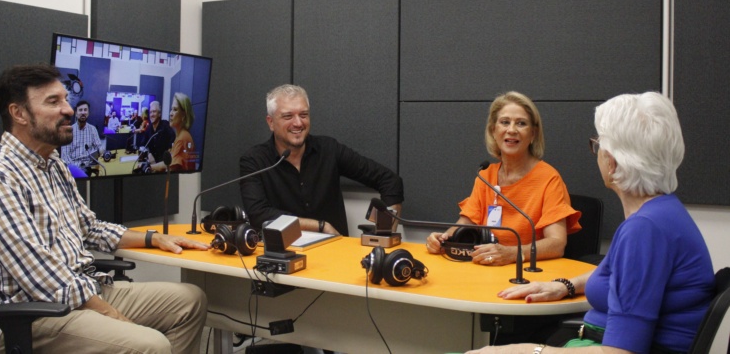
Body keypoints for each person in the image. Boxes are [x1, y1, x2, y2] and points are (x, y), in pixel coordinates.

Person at [0, 64, 210, 353]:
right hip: (33, 316)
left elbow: (89, 228)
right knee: (150, 345)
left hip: (83, 291)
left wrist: (154, 238)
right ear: (19, 113)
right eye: (53, 101)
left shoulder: (54, 164)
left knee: (190, 301)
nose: (68, 109)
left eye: (65, 99)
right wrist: (114, 316)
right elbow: (41, 275)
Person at [468, 92, 715, 354]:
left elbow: (620, 352)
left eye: (598, 145)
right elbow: (619, 274)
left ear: (613, 162)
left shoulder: (645, 230)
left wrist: (529, 351)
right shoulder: (660, 213)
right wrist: (565, 285)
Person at [426, 91, 581, 266]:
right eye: (505, 122)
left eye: (521, 123)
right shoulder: (485, 176)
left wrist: (512, 254)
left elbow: (556, 244)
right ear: (493, 130)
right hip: (485, 267)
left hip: (527, 272)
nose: (512, 130)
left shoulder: (549, 178)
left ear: (533, 134)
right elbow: (467, 221)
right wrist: (442, 239)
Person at [239, 84, 404, 236]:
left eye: (303, 115)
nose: (298, 123)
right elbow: (259, 215)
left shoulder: (329, 149)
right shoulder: (254, 161)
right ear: (271, 122)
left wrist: (385, 231)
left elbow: (390, 180)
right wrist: (320, 226)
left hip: (333, 251)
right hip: (284, 252)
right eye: (288, 116)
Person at [150, 93, 195, 172]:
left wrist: (150, 167)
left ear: (183, 115)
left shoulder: (182, 138)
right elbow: (167, 163)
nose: (170, 113)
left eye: (175, 110)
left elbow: (169, 169)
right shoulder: (180, 135)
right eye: (171, 109)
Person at [60, 100, 102, 170]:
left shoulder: (93, 129)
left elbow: (99, 148)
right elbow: (65, 157)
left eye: (85, 110)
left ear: (88, 113)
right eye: (80, 110)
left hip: (90, 166)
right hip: (74, 169)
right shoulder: (68, 131)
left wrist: (100, 153)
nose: (83, 112)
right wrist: (76, 169)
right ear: (76, 113)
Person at [142, 100, 175, 164]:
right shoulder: (149, 128)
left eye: (154, 111)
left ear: (159, 114)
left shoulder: (166, 125)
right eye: (150, 112)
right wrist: (149, 154)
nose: (152, 114)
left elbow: (173, 140)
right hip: (151, 163)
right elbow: (143, 144)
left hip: (164, 163)